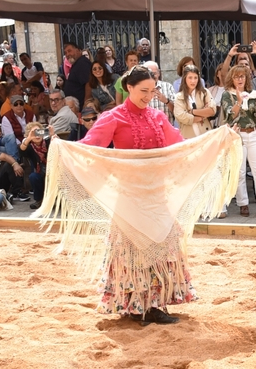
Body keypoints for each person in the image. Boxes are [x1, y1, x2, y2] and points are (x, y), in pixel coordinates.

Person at [79, 65, 191, 325]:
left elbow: (177, 143)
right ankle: (135, 306)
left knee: (160, 247)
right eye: (143, 91)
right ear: (128, 87)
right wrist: (63, 148)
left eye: (152, 91)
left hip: (156, 193)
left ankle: (154, 305)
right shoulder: (113, 117)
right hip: (129, 194)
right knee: (133, 251)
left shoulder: (158, 117)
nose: (149, 96)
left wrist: (213, 140)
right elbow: (91, 145)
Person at [220, 64, 256, 217]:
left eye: (242, 76)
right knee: (240, 172)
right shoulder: (227, 95)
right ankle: (243, 203)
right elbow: (229, 115)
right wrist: (239, 102)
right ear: (231, 79)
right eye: (236, 76)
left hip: (253, 134)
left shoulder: (253, 93)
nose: (240, 79)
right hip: (237, 135)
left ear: (246, 78)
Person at [173, 65, 216, 139]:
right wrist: (201, 117)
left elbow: (212, 110)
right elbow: (181, 116)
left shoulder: (205, 93)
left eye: (195, 78)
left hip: (206, 135)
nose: (193, 81)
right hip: (188, 137)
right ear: (185, 78)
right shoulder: (179, 97)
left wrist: (192, 112)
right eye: (190, 77)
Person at [19, 122, 53, 209]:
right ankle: (39, 200)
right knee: (33, 176)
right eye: (34, 133)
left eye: (39, 132)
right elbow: (22, 151)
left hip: (53, 170)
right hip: (40, 172)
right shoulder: (30, 146)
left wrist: (53, 135)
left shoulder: (48, 141)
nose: (37, 135)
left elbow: (59, 146)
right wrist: (29, 138)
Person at [60, 41, 91, 109]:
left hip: (81, 107)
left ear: (77, 50)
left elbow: (89, 83)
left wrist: (86, 104)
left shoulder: (82, 63)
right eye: (65, 53)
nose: (67, 54)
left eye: (69, 51)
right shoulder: (77, 64)